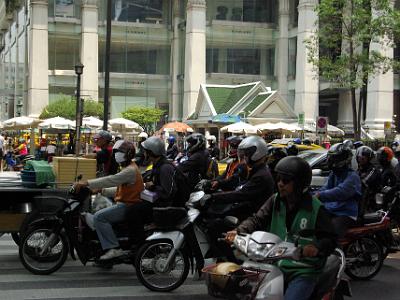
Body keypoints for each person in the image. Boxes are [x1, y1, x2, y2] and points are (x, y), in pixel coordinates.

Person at [225, 156, 337, 300]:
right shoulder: (275, 200)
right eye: (278, 179)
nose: (280, 184)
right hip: (274, 265)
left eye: (285, 180)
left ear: (299, 183)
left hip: (303, 270)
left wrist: (316, 248)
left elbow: (330, 239)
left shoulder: (315, 209)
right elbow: (257, 219)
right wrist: (239, 231)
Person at [74, 140, 144, 260]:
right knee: (98, 211)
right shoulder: (129, 167)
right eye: (116, 152)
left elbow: (112, 180)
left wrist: (87, 183)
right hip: (125, 203)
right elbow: (119, 188)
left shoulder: (130, 170)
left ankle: (114, 248)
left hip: (127, 206)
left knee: (99, 217)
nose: (117, 154)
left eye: (120, 152)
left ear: (129, 154)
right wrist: (101, 190)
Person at [315, 143, 361, 238]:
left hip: (346, 213)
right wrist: (312, 194)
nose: (331, 161)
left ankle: (336, 251)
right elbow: (326, 187)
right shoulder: (334, 174)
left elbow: (341, 192)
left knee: (332, 234)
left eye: (334, 158)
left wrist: (320, 195)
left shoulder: (352, 176)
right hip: (332, 210)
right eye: (331, 158)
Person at [356, 146, 382, 214]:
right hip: (361, 200)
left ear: (368, 159)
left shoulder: (373, 170)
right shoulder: (360, 169)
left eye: (363, 158)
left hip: (370, 204)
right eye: (359, 158)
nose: (360, 160)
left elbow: (363, 182)